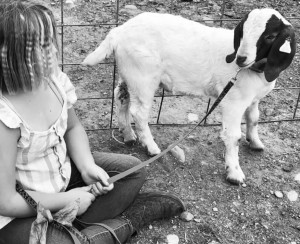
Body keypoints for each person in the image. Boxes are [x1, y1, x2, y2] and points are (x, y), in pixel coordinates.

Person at [0, 1, 185, 243]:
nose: (55, 51)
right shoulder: (5, 116)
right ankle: (132, 218)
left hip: (63, 179)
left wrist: (87, 166)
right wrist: (69, 200)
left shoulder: (53, 81)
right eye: (43, 47)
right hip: (20, 210)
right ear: (10, 57)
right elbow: (6, 201)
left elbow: (73, 127)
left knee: (132, 170)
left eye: (52, 42)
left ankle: (74, 225)